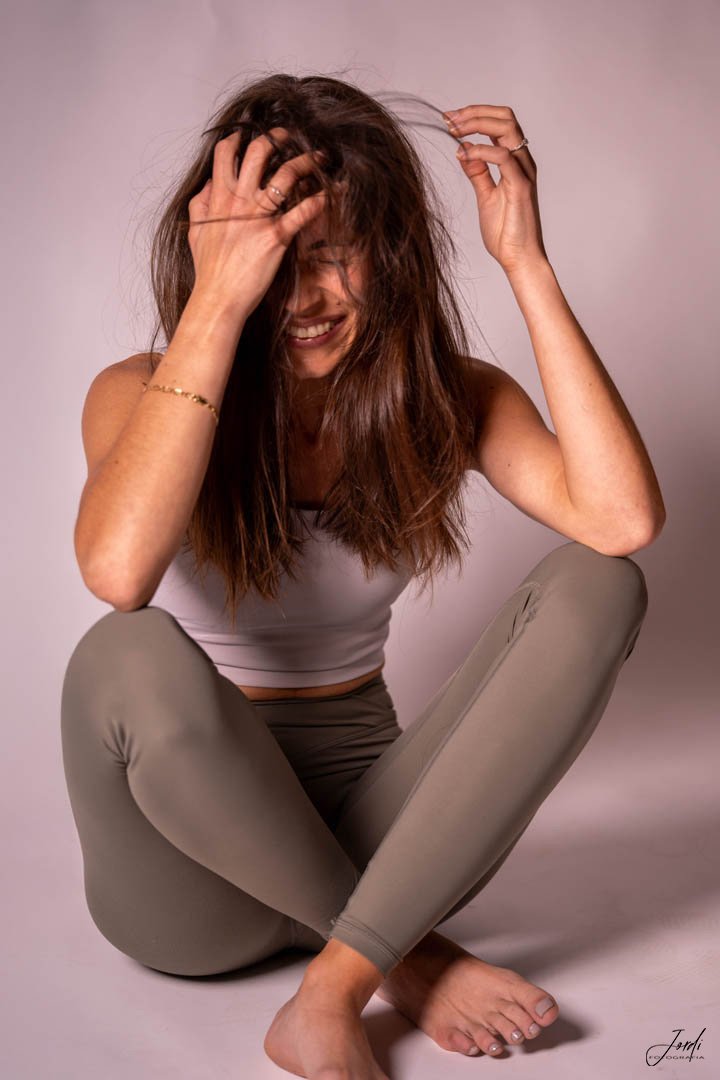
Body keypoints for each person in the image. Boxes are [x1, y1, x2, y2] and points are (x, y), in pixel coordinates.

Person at [61, 73, 665, 1079]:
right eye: (275, 259)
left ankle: (336, 982)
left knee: (603, 582)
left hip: (382, 844)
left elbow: (622, 520)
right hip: (189, 884)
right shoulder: (138, 391)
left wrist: (525, 262)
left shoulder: (446, 400)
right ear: (217, 253)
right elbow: (118, 573)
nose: (304, 298)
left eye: (336, 255)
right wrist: (219, 303)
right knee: (123, 651)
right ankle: (404, 960)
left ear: (391, 255)